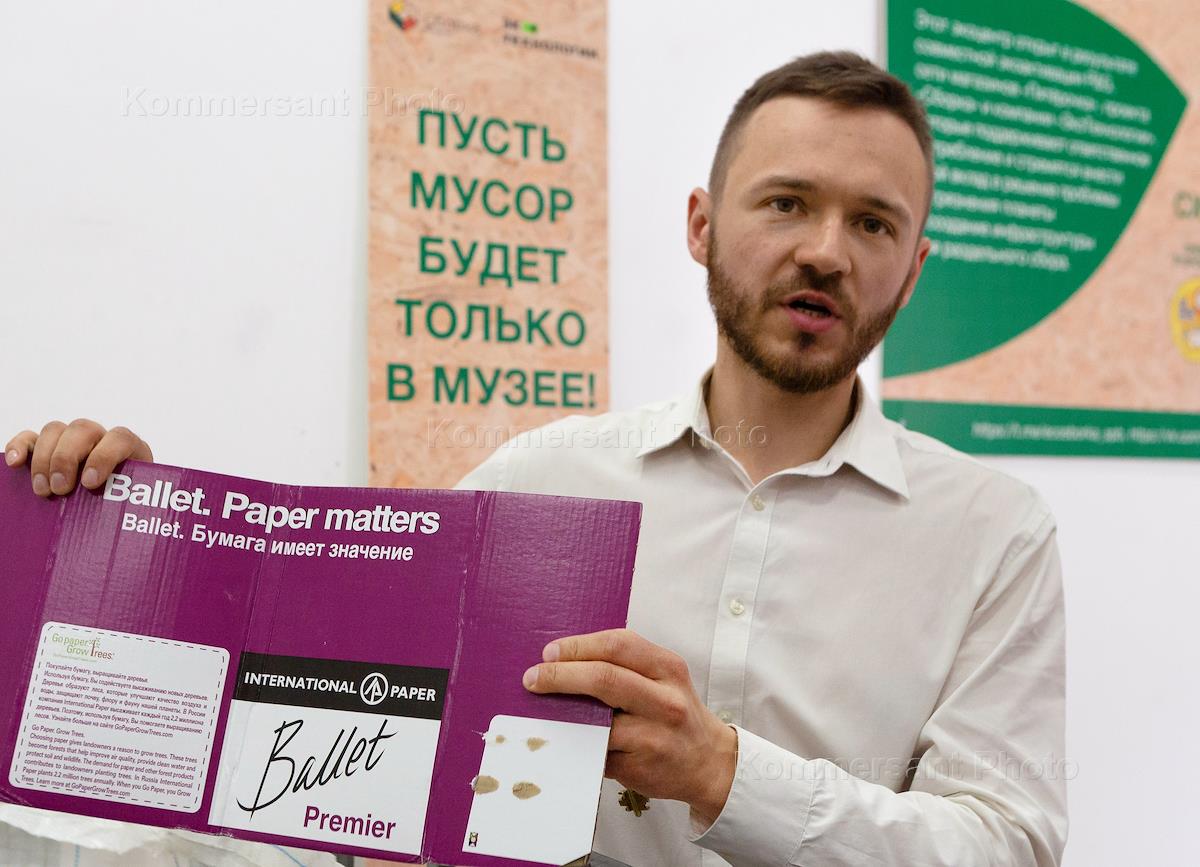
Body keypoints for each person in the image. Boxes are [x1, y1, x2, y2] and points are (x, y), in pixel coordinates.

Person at [5, 52, 1066, 867]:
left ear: (913, 270)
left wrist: (724, 774)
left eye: (873, 223)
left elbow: (1008, 844)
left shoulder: (993, 533)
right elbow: (336, 778)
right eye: (786, 201)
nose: (826, 250)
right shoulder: (539, 482)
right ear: (701, 226)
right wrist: (124, 560)